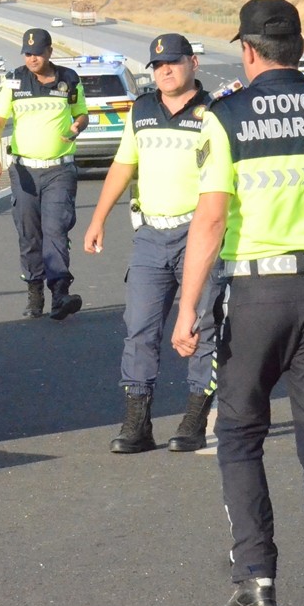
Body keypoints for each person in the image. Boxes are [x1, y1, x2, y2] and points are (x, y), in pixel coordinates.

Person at [170, 0, 304, 606]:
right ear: (300, 49)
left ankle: (256, 580)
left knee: (240, 436)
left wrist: (186, 310)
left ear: (249, 51)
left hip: (255, 297)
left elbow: (211, 219)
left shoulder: (224, 116)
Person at [82, 34, 218, 454]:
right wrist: (98, 218)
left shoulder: (214, 112)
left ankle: (195, 417)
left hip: (199, 233)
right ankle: (137, 424)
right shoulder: (141, 109)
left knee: (202, 325)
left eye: (173, 63)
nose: (165, 71)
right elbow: (124, 164)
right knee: (139, 327)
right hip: (150, 236)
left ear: (192, 63)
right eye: (158, 65)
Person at [0, 28, 88, 320]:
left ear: (50, 52)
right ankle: (34, 291)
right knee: (30, 233)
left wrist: (77, 126)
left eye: (38, 53)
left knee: (56, 229)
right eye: (28, 53)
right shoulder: (14, 81)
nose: (32, 58)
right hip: (24, 170)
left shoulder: (68, 79)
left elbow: (82, 114)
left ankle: (60, 293)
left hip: (60, 169)